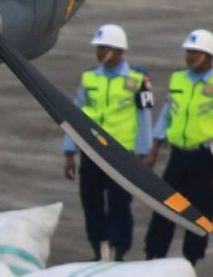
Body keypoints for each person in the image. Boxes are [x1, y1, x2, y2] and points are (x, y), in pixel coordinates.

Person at [144, 29, 213, 264]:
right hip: (178, 156)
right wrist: (154, 149)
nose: (190, 57)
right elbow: (166, 115)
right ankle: (155, 255)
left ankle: (190, 261)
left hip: (205, 158)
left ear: (209, 56)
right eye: (189, 53)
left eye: (196, 53)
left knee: (200, 211)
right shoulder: (178, 79)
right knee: (165, 207)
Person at [65, 24, 154, 260]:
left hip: (121, 153)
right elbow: (76, 114)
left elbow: (143, 116)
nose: (99, 52)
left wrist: (144, 152)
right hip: (92, 151)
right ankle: (99, 244)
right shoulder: (89, 77)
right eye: (98, 48)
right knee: (90, 200)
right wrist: (69, 150)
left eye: (104, 47)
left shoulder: (137, 79)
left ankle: (119, 248)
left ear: (118, 50)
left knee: (119, 203)